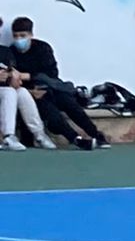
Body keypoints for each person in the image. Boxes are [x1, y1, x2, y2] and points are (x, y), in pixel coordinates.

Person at [12, 16, 106, 149]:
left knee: (72, 106)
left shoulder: (43, 48)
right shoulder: (11, 52)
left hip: (51, 88)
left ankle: (96, 134)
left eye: (23, 35)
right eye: (15, 36)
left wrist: (28, 76)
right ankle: (76, 140)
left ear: (31, 35)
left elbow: (51, 74)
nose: (19, 40)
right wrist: (30, 90)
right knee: (53, 116)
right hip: (32, 93)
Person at [1, 49, 57, 151]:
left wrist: (13, 78)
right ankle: (8, 136)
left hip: (4, 88)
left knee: (22, 92)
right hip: (5, 91)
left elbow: (12, 71)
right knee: (9, 92)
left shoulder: (5, 51)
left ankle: (39, 135)